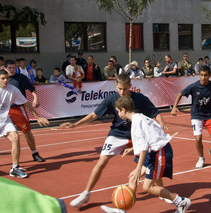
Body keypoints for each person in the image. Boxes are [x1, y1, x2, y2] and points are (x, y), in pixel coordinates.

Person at [61, 74, 167, 208]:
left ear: (130, 86)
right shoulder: (111, 99)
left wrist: (161, 123)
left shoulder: (140, 99)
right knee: (102, 161)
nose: (122, 92)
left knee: (151, 160)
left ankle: (163, 192)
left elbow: (154, 113)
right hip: (117, 134)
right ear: (116, 86)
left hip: (136, 136)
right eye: (119, 89)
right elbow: (94, 115)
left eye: (124, 89)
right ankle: (86, 193)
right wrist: (75, 124)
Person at [100, 96, 191, 213]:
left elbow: (143, 147)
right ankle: (121, 210)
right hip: (153, 151)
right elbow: (148, 137)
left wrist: (139, 169)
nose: (117, 113)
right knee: (132, 178)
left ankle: (181, 201)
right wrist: (133, 148)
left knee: (147, 187)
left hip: (160, 152)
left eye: (118, 111)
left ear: (123, 110)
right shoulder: (140, 117)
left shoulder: (136, 123)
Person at [0, 59, 46, 171]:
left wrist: (35, 98)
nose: (12, 70)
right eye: (9, 68)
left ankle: (34, 153)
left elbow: (33, 90)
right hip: (3, 111)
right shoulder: (1, 80)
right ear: (4, 69)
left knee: (27, 131)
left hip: (18, 108)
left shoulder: (21, 78)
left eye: (13, 67)